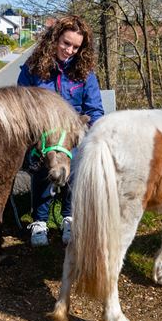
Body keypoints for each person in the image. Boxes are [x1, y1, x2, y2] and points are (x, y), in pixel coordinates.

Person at [17, 15, 104, 247]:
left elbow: (94, 110)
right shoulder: (33, 69)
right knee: (49, 157)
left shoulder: (85, 73)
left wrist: (93, 134)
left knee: (75, 158)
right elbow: (22, 106)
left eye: (76, 47)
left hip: (74, 134)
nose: (69, 50)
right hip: (41, 135)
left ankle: (69, 216)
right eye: (66, 43)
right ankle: (40, 221)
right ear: (55, 39)